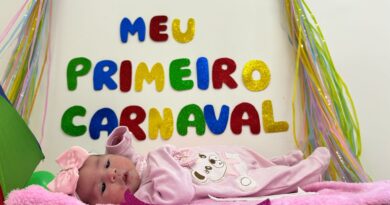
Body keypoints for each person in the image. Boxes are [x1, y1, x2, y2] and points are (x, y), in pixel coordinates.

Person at [48, 126, 331, 205]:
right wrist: (160, 155)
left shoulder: (134, 168)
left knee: (248, 157)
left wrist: (116, 148)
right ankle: (307, 170)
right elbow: (179, 194)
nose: (111, 173)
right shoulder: (144, 197)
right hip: (224, 183)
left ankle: (281, 161)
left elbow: (127, 158)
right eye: (101, 186)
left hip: (221, 160)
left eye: (106, 163)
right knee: (268, 180)